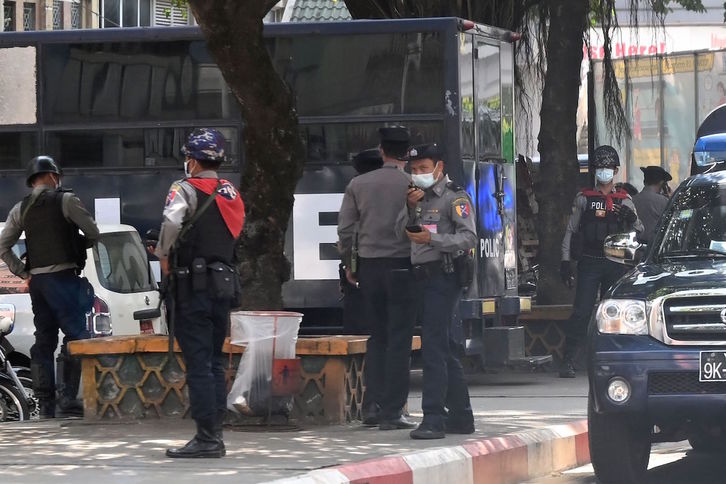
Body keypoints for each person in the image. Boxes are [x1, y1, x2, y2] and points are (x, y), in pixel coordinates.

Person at [156, 128, 245, 458]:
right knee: (214, 361)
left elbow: (171, 223)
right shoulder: (232, 192)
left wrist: (163, 255)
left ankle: (207, 438)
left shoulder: (184, 188)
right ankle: (215, 435)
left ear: (191, 160)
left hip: (192, 287)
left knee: (198, 365)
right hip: (223, 286)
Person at [0, 156, 99, 418]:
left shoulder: (20, 208)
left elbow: (3, 245)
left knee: (44, 340)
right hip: (64, 278)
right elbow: (93, 232)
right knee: (76, 337)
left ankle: (46, 405)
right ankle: (67, 399)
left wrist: (24, 272)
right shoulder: (66, 200)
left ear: (31, 181)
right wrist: (79, 245)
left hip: (39, 284)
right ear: (53, 176)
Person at [337, 127, 417, 430]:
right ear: (408, 153)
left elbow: (346, 230)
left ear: (382, 151)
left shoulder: (358, 184)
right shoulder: (413, 185)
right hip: (404, 266)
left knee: (377, 337)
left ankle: (370, 406)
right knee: (399, 340)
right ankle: (393, 411)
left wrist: (350, 263)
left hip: (369, 268)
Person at [397, 143, 478, 440]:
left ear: (439, 168)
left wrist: (431, 238)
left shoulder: (454, 197)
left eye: (424, 169)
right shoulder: (415, 198)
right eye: (414, 170)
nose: (418, 175)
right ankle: (461, 416)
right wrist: (409, 209)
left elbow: (468, 237)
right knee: (442, 348)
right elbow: (399, 233)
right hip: (420, 278)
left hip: (444, 278)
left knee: (432, 347)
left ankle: (433, 417)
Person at [559, 145, 643, 378]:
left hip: (615, 263)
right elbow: (570, 231)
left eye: (607, 167)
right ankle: (568, 360)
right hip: (589, 261)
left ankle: (613, 360)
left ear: (615, 170)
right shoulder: (584, 198)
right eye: (600, 167)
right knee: (582, 311)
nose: (603, 171)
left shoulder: (624, 200)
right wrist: (565, 261)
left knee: (614, 313)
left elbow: (640, 230)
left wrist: (631, 218)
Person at [339, 148, 384, 335]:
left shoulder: (355, 189)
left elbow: (345, 231)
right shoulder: (399, 187)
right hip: (395, 267)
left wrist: (348, 265)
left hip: (361, 266)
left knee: (358, 326)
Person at [632, 165, 672, 244]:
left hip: (636, 247)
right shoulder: (664, 201)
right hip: (654, 248)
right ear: (662, 183)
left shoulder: (633, 199)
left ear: (644, 181)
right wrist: (670, 197)